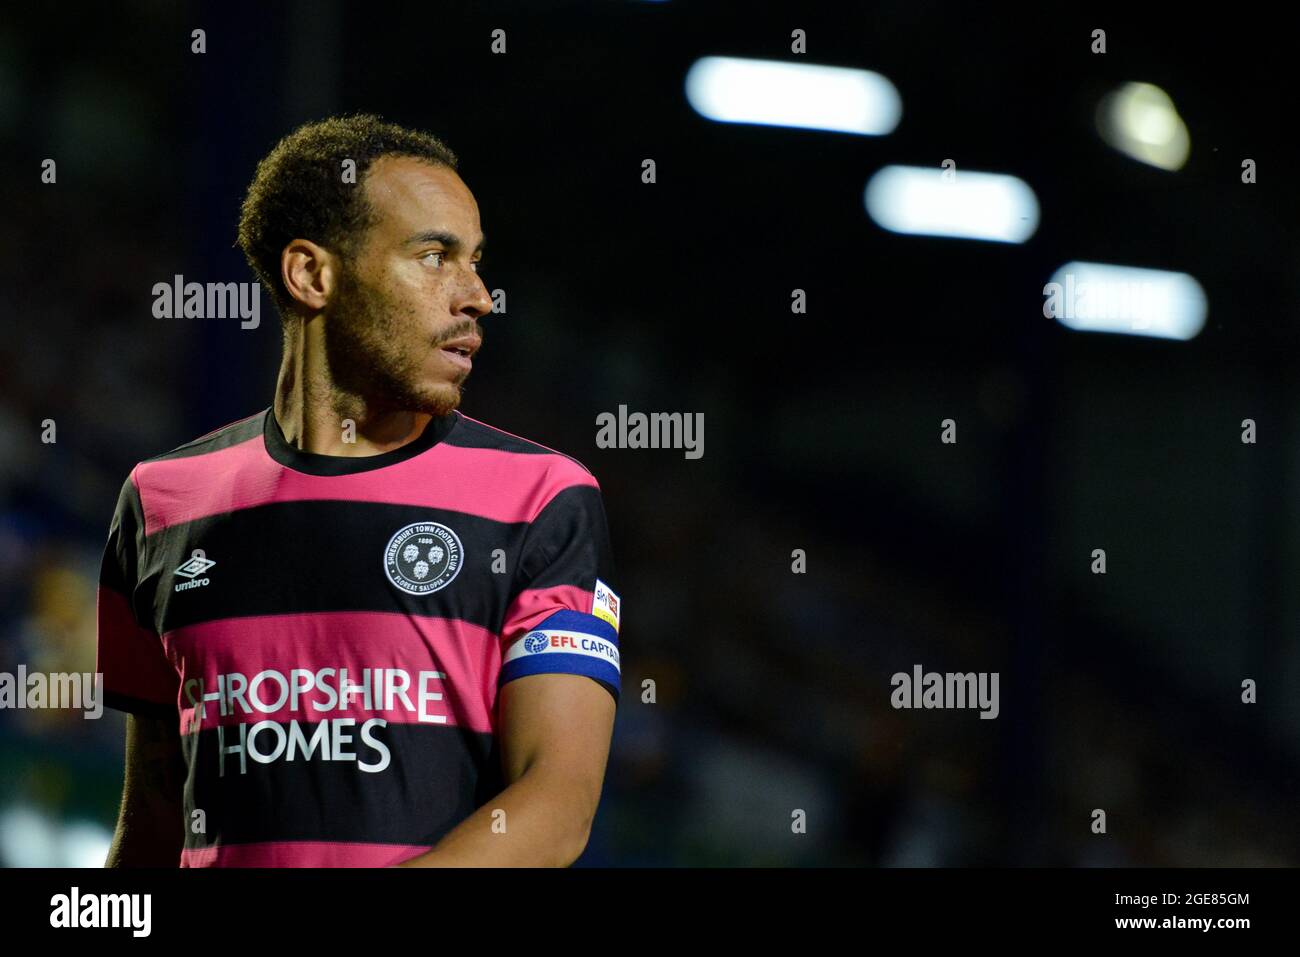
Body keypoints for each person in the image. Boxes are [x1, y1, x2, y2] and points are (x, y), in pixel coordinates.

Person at [97, 115, 622, 867]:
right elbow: (151, 819)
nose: (478, 295)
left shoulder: (542, 499)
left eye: (476, 261)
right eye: (435, 256)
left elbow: (556, 802)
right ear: (313, 274)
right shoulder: (159, 502)